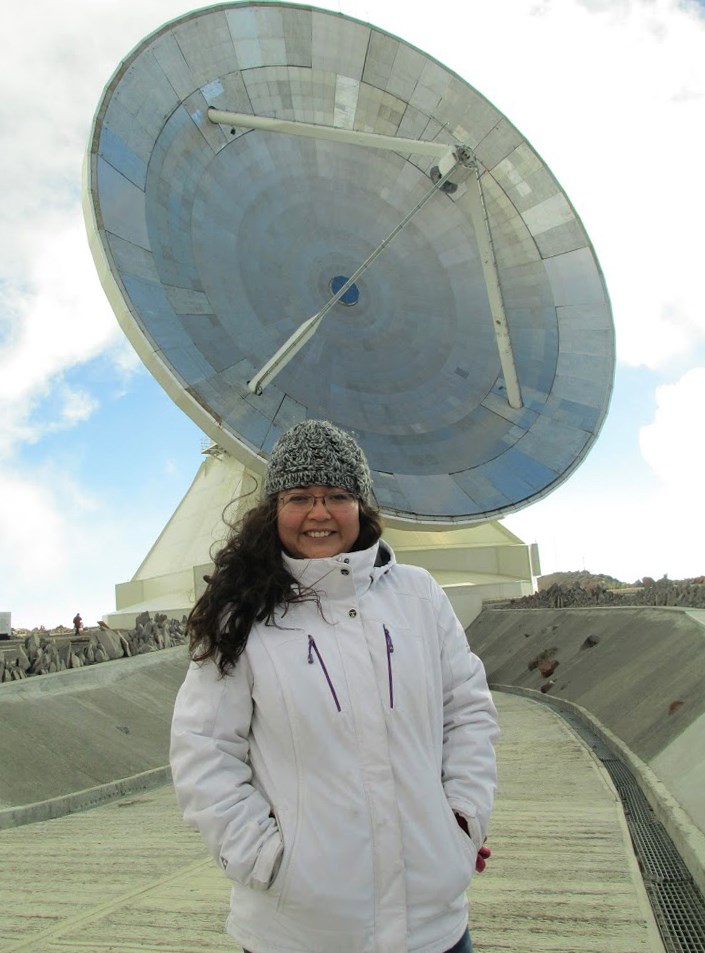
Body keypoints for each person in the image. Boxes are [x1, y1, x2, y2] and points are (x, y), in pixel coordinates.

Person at [170, 419, 499, 953]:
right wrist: (266, 860)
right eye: (300, 496)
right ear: (273, 509)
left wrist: (461, 821)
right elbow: (203, 749)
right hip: (298, 930)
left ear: (362, 508)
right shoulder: (243, 616)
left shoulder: (418, 596)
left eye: (337, 496)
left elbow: (467, 714)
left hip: (433, 928)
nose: (319, 513)